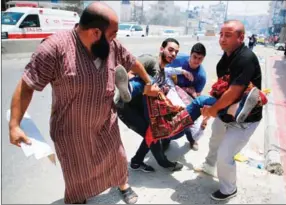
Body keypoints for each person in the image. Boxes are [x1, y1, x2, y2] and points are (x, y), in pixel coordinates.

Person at [8, 2, 160, 204]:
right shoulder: (54, 49)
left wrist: (149, 83)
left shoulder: (111, 46)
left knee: (117, 158)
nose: (115, 38)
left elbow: (133, 61)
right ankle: (78, 199)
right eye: (113, 33)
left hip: (106, 123)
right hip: (71, 131)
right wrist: (14, 125)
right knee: (77, 174)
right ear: (96, 32)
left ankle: (122, 184)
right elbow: (27, 85)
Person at [195, 20, 265, 201]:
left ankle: (229, 189)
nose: (222, 39)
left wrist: (212, 110)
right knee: (215, 137)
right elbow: (222, 88)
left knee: (225, 154)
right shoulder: (225, 59)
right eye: (221, 34)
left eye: (228, 35)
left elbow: (234, 91)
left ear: (241, 38)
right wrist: (212, 111)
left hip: (245, 118)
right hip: (226, 110)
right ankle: (209, 166)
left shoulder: (245, 58)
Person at [116, 38, 184, 172]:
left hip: (140, 109)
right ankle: (164, 163)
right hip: (127, 107)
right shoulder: (149, 60)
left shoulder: (163, 76)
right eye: (170, 50)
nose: (173, 54)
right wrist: (148, 84)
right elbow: (128, 73)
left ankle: (136, 162)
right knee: (147, 81)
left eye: (176, 52)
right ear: (161, 49)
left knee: (152, 132)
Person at [161, 43, 208, 151]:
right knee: (167, 119)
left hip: (186, 97)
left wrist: (189, 91)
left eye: (200, 59)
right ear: (190, 55)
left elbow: (197, 96)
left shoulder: (201, 76)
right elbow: (164, 72)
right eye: (194, 57)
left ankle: (192, 140)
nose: (196, 61)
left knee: (189, 121)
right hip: (171, 92)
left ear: (203, 59)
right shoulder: (178, 60)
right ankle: (166, 140)